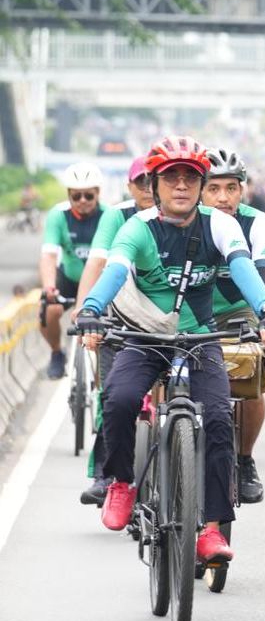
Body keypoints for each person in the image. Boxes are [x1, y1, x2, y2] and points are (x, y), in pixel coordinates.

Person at [73, 135, 265, 565]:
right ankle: (121, 483)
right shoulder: (138, 228)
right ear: (155, 185)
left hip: (200, 339)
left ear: (202, 183)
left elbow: (244, 269)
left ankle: (209, 527)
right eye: (172, 178)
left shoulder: (220, 225)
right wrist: (92, 308)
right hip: (145, 336)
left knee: (221, 418)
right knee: (118, 400)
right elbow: (115, 272)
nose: (182, 186)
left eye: (191, 177)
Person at [74, 156, 155, 507]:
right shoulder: (118, 217)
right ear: (130, 185)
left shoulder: (186, 219)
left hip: (169, 325)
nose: (149, 190)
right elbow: (97, 263)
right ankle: (105, 475)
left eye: (156, 181)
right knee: (113, 398)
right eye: (142, 183)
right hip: (119, 320)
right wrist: (85, 313)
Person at [203, 148, 265, 505]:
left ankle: (244, 459)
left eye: (231, 188)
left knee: (250, 375)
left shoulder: (259, 223)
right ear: (199, 189)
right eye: (214, 187)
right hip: (189, 313)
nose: (223, 197)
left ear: (243, 190)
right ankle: (159, 445)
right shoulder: (187, 220)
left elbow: (264, 274)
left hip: (239, 312)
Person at [39, 162, 109, 378]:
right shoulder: (58, 215)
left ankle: (102, 377)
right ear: (69, 195)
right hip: (69, 277)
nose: (82, 201)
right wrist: (49, 287)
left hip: (99, 281)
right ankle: (56, 353)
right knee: (49, 309)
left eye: (88, 196)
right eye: (76, 196)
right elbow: (49, 254)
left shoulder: (109, 215)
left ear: (97, 194)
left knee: (106, 329)